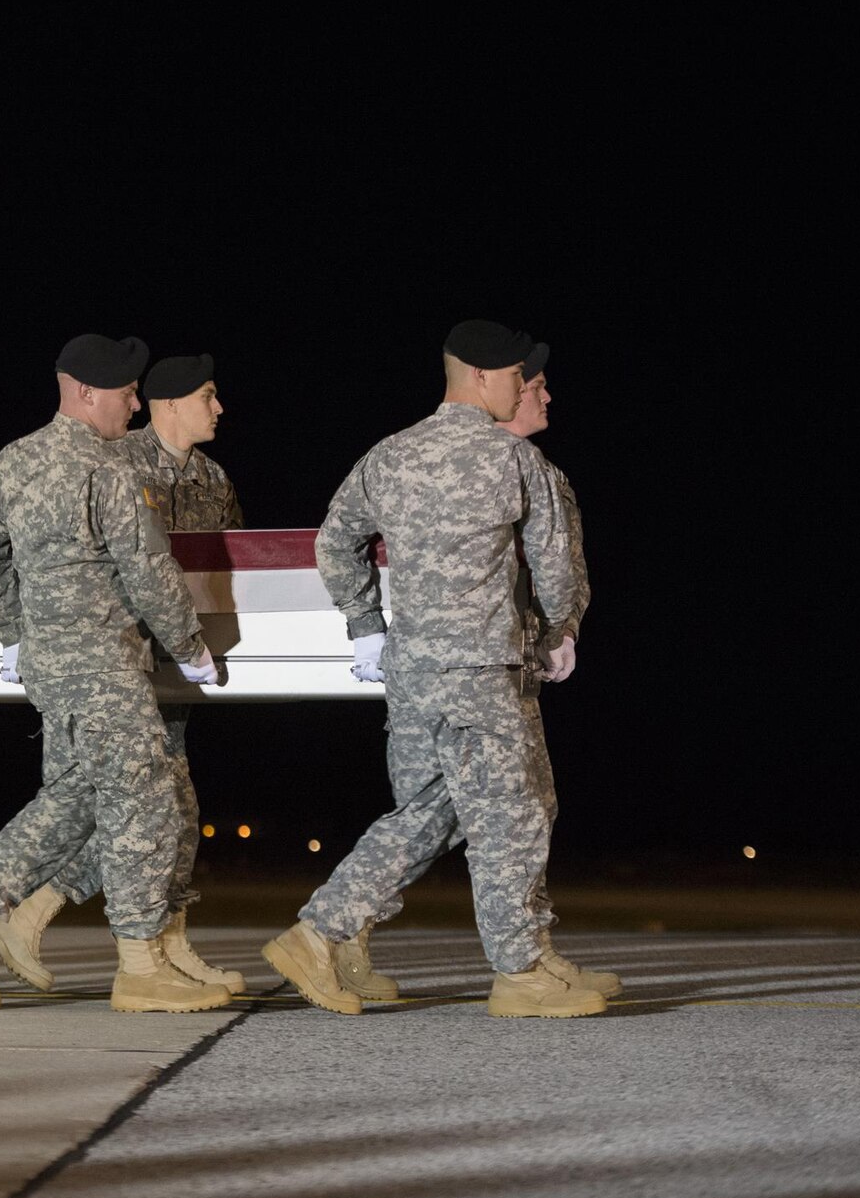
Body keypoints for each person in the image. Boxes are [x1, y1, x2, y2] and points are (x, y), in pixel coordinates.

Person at [261, 319, 610, 1018]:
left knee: (430, 811)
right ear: (482, 377)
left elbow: (336, 541)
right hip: (483, 668)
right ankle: (517, 972)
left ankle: (327, 934)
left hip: (412, 671)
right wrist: (560, 631)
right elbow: (556, 569)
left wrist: (366, 625)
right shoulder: (516, 462)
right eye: (516, 374)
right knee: (511, 815)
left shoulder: (389, 455)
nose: (523, 386)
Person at [0, 334, 234, 1013]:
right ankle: (139, 964)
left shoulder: (16, 460)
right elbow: (147, 568)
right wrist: (190, 646)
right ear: (85, 390)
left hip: (51, 661)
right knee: (142, 786)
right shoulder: (108, 466)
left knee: (80, 796)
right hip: (104, 660)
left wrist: (15, 627)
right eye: (124, 391)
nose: (133, 402)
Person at [0, 354, 245, 997]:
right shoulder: (113, 460)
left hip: (173, 673)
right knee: (107, 806)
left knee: (173, 809)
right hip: (110, 666)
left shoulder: (213, 478)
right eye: (208, 396)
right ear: (165, 402)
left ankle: (165, 943)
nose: (219, 409)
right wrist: (18, 630)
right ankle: (38, 918)